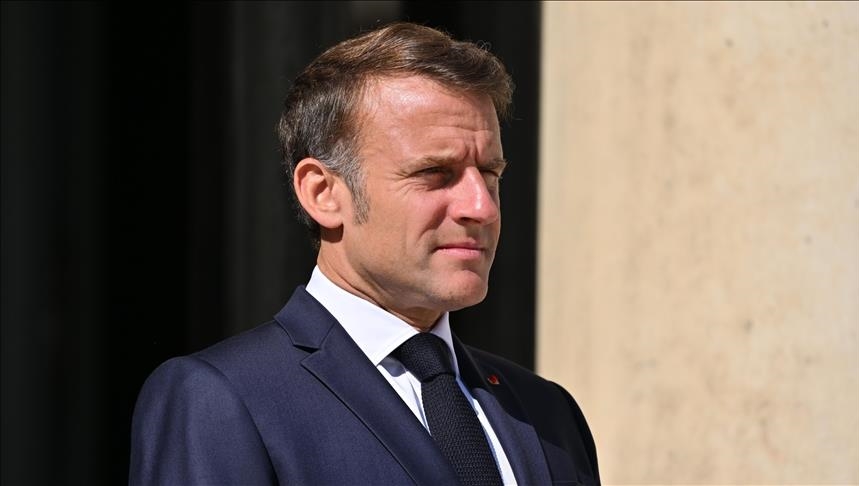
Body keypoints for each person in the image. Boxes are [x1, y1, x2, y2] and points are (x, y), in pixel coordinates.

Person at [130, 22, 600, 485]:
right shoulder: (223, 399)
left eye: (490, 174)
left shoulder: (546, 412)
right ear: (323, 193)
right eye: (435, 173)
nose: (481, 207)